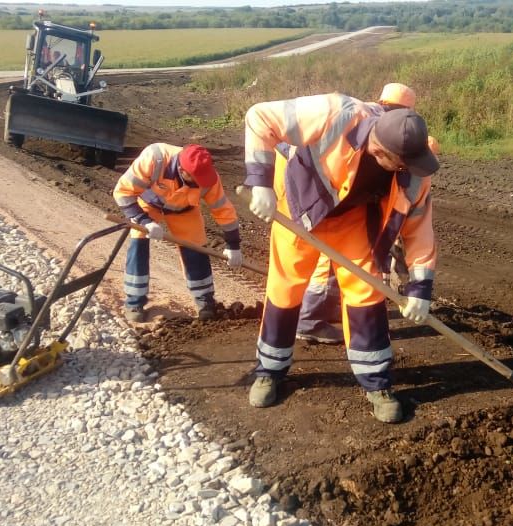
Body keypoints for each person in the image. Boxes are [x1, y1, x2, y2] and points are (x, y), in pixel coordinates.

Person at [243, 93, 440, 423]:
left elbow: (419, 228)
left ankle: (376, 384)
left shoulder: (415, 170)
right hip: (297, 208)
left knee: (366, 293)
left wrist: (421, 289)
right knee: (285, 289)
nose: (410, 172)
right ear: (380, 152)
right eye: (402, 166)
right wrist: (259, 183)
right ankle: (269, 371)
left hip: (353, 218)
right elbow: (260, 116)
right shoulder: (335, 114)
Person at [295, 83, 438, 346]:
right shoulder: (371, 128)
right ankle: (312, 319)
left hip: (351, 208)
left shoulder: (370, 119)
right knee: (333, 264)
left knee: (334, 265)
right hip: (344, 210)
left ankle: (321, 315)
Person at [113, 143, 243, 323]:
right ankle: (134, 302)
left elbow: (223, 210)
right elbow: (123, 192)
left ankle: (205, 302)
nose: (200, 182)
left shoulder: (209, 178)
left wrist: (233, 244)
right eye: (195, 178)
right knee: (138, 242)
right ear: (182, 170)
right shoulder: (155, 158)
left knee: (196, 248)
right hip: (149, 206)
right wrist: (145, 222)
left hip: (184, 210)